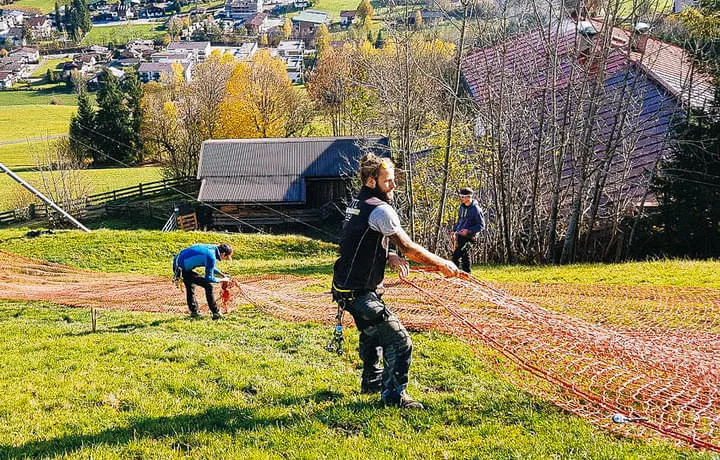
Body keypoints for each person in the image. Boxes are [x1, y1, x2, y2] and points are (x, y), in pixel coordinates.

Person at [332, 153, 459, 409]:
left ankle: (372, 382)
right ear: (371, 181)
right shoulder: (381, 210)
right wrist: (442, 263)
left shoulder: (357, 203)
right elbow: (409, 249)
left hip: (345, 286)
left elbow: (358, 238)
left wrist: (387, 253)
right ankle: (393, 396)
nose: (393, 186)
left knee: (371, 334)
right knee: (399, 341)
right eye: (388, 181)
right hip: (359, 291)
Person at [172, 243, 233, 320]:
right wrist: (223, 280)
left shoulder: (212, 249)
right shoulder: (211, 257)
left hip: (177, 262)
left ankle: (194, 312)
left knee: (190, 285)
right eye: (226, 257)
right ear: (223, 254)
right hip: (180, 269)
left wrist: (222, 275)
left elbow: (210, 266)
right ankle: (216, 313)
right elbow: (209, 278)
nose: (225, 259)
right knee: (208, 286)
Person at [451, 187, 485, 273]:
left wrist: (468, 231)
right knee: (465, 256)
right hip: (460, 237)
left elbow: (481, 225)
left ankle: (454, 274)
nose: (461, 198)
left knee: (456, 256)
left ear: (469, 197)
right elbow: (459, 221)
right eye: (460, 196)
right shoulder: (461, 208)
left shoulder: (476, 209)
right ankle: (466, 275)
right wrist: (454, 230)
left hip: (470, 238)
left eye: (463, 196)